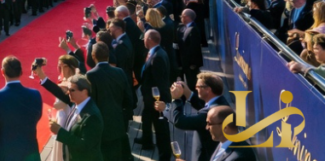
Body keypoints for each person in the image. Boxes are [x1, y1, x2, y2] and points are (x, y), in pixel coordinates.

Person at [154, 74, 228, 161]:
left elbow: (180, 121)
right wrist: (187, 92)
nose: (196, 88)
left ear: (208, 90)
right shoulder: (220, 101)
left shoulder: (211, 113)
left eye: (198, 86)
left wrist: (176, 99)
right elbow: (201, 104)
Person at [0, 56, 42, 161]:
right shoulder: (35, 94)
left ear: (2, 72)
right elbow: (37, 117)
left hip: (4, 155)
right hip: (30, 153)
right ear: (21, 72)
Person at [84, 43, 131, 161]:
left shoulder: (90, 75)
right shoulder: (120, 72)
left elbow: (90, 103)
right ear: (108, 55)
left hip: (100, 128)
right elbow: (128, 99)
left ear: (93, 56)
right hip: (118, 124)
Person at [48, 75, 104, 161]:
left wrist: (60, 132)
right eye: (68, 89)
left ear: (84, 92)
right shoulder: (77, 104)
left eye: (72, 90)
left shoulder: (92, 116)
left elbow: (85, 145)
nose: (68, 93)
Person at [139, 30, 172, 161]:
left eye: (144, 38)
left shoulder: (157, 57)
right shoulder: (158, 52)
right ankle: (147, 141)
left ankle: (164, 157)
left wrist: (163, 103)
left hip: (157, 101)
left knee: (161, 131)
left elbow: (160, 82)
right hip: (151, 99)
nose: (143, 40)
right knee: (147, 118)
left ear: (150, 39)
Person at [178, 9, 204, 90]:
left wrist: (193, 64)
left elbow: (195, 48)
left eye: (182, 16)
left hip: (191, 64)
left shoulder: (194, 29)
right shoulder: (182, 27)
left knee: (192, 83)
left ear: (187, 17)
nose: (181, 18)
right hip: (183, 61)